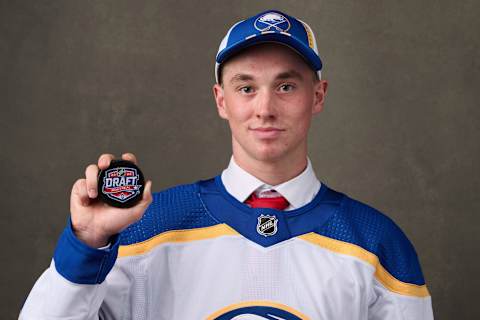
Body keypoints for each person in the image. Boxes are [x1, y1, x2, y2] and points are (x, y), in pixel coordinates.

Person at [20, 9, 434, 320]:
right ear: (222, 99)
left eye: (286, 86)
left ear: (319, 96)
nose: (265, 109)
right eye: (246, 87)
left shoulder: (377, 243)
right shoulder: (144, 229)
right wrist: (86, 244)